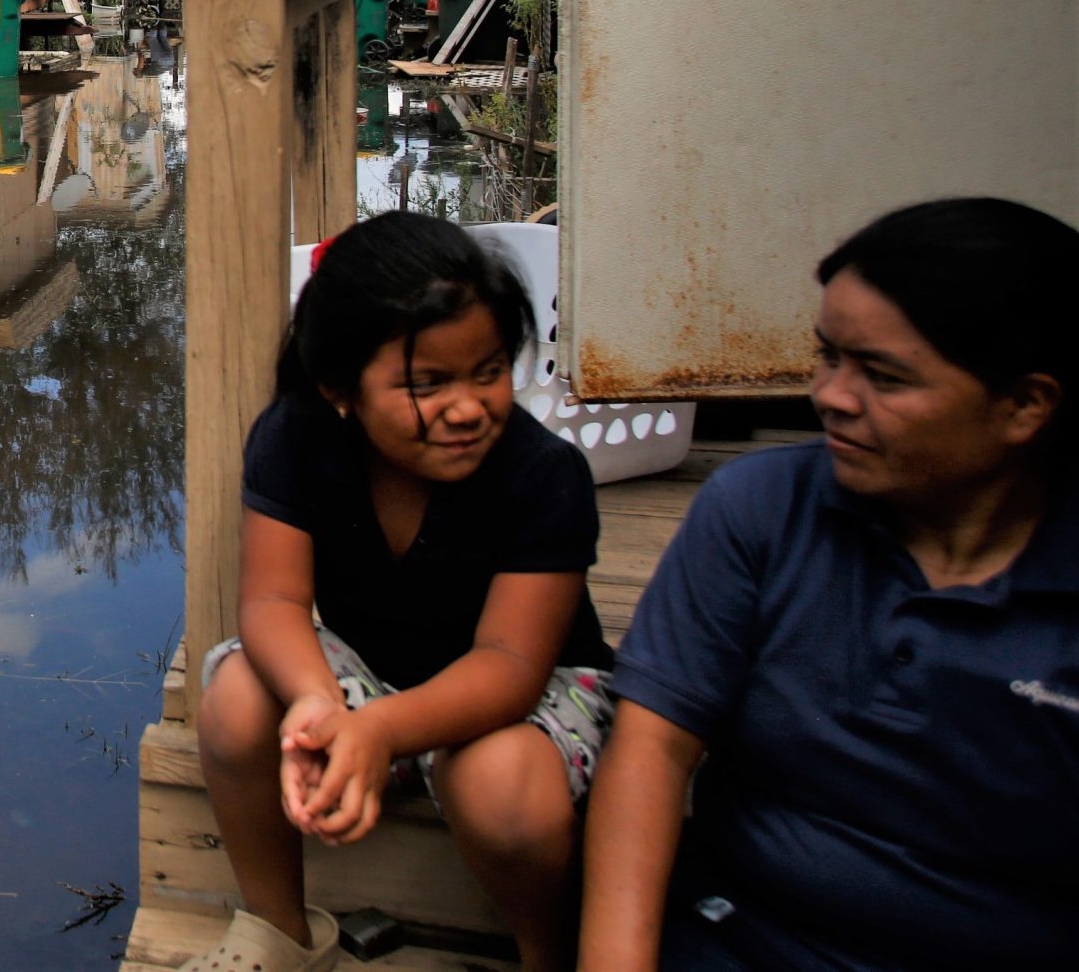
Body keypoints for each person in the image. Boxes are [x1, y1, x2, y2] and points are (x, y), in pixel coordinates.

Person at [578, 198, 1078, 972]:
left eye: (883, 376)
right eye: (828, 356)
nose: (830, 396)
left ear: (1024, 405)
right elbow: (651, 746)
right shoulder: (762, 509)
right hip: (740, 936)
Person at [195, 213, 611, 972]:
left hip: (524, 697)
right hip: (376, 676)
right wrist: (321, 703)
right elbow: (274, 603)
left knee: (498, 782)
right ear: (340, 388)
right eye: (426, 384)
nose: (467, 407)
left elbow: (510, 664)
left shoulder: (542, 474)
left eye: (488, 370)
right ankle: (278, 933)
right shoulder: (296, 434)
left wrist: (380, 729)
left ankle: (549, 956)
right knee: (237, 694)